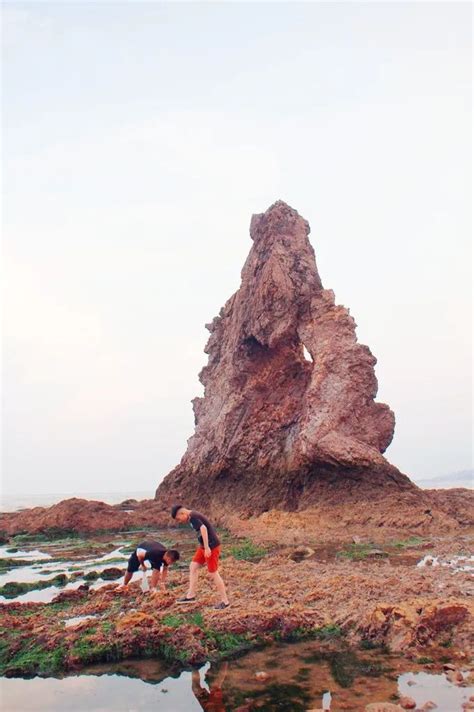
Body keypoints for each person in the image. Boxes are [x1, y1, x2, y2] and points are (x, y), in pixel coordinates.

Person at [171, 505, 229, 609]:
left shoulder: (193, 517)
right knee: (193, 566)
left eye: (178, 519)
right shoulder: (191, 516)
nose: (179, 521)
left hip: (211, 547)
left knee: (213, 573)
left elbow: (203, 529)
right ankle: (191, 596)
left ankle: (225, 602)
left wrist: (207, 547)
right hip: (203, 547)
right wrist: (204, 546)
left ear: (182, 513)